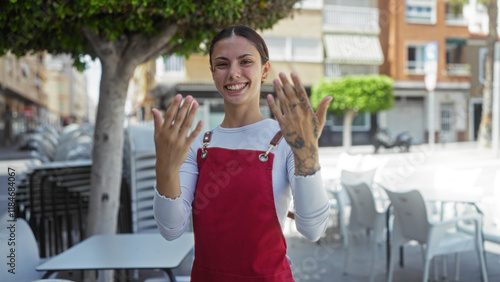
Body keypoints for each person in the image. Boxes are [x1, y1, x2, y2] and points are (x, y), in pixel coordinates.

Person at [152, 25, 333, 282]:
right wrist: (165, 168)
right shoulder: (197, 145)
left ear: (265, 70)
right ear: (213, 73)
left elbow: (313, 230)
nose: (234, 73)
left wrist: (308, 155)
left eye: (246, 62)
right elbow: (171, 230)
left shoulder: (288, 140)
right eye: (222, 64)